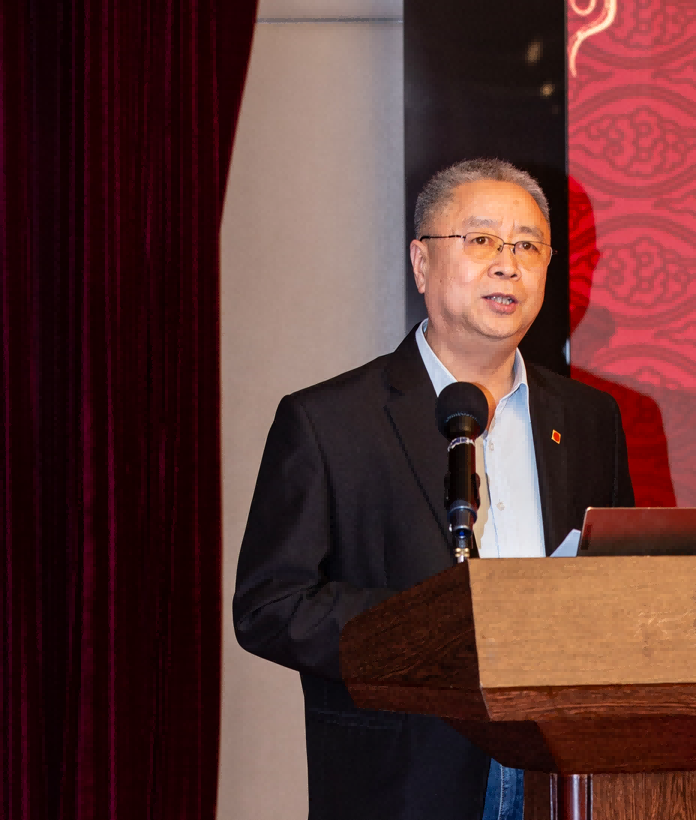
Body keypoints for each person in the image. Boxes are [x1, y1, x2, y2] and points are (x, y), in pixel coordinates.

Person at [233, 158, 635, 820]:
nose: (508, 265)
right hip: (405, 780)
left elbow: (621, 585)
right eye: (481, 240)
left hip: (565, 773)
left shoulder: (590, 420)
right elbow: (272, 607)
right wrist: (438, 631)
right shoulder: (329, 421)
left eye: (528, 246)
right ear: (422, 264)